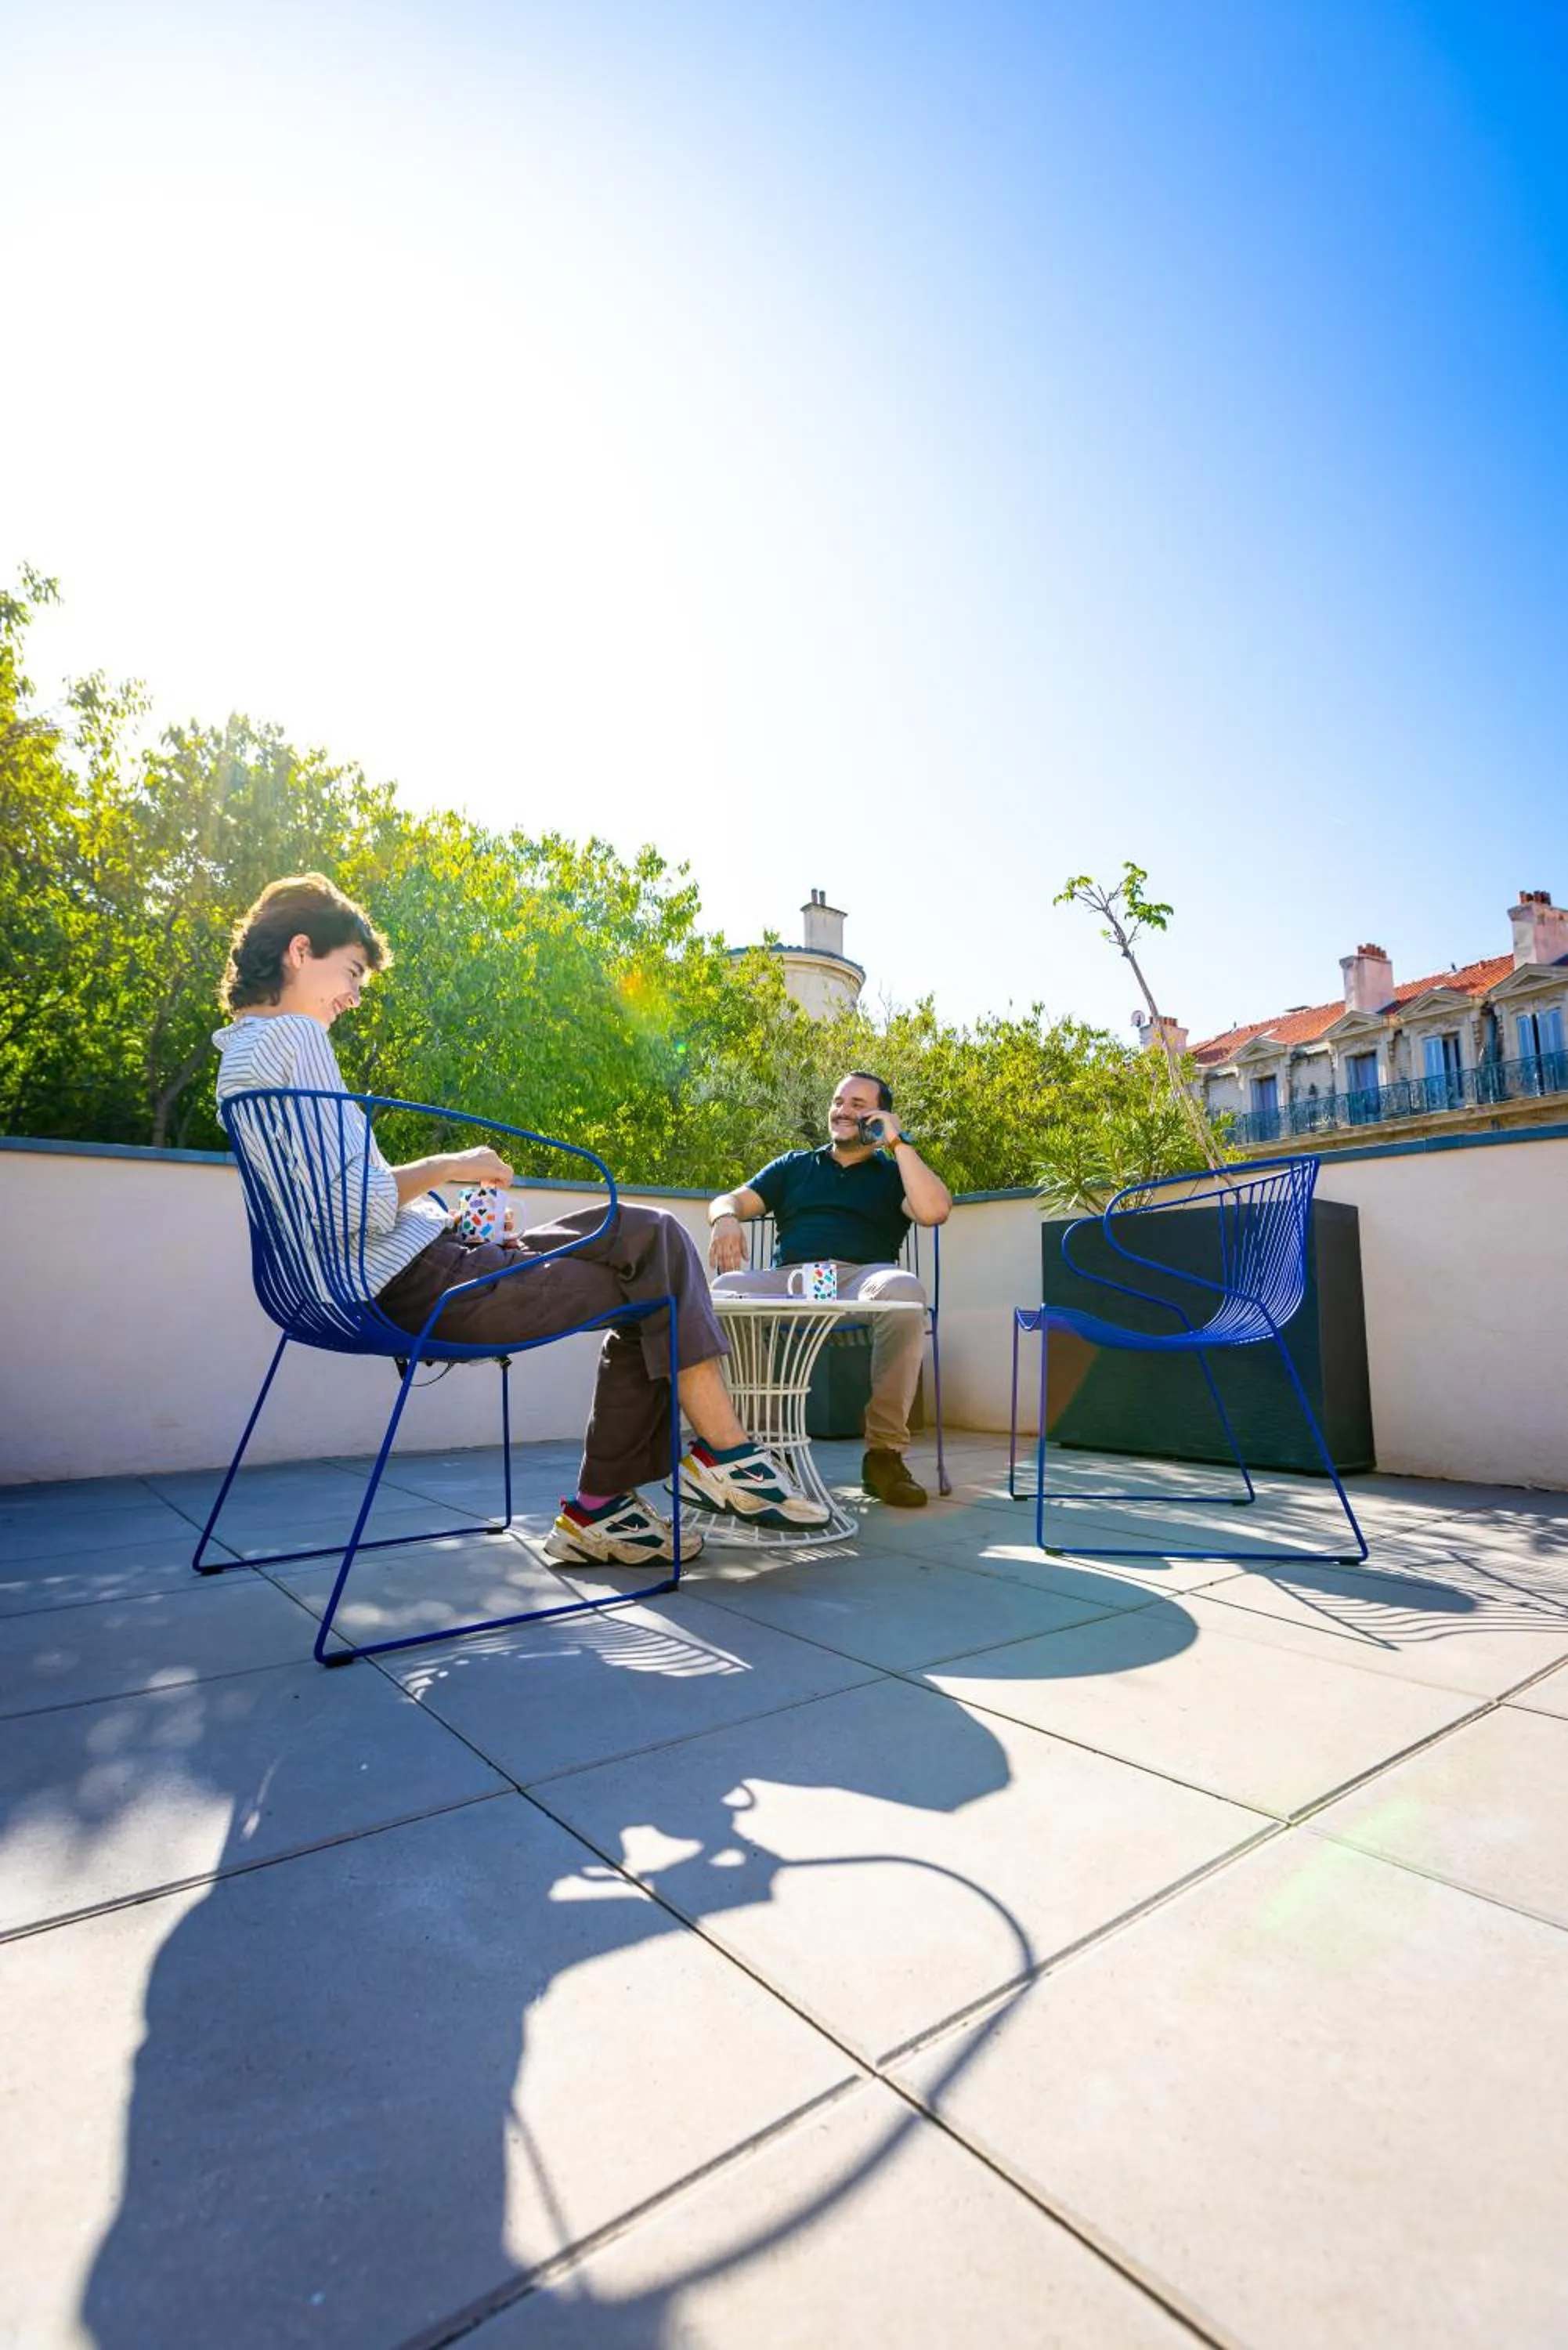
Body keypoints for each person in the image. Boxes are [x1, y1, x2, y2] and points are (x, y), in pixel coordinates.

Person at [212, 873, 829, 1564]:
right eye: (350, 973)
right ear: (300, 951)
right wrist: (452, 1163)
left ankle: (630, 1499)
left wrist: (444, 1214)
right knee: (653, 1270)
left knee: (646, 1239)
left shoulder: (243, 1055)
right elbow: (350, 1205)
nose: (354, 996)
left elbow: (339, 1201)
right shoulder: (292, 1042)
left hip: (415, 1272)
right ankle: (711, 1462)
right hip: (424, 1288)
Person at [706, 1072, 952, 1506]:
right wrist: (725, 1218)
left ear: (879, 1116)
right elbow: (729, 1200)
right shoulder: (794, 1166)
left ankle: (884, 1454)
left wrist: (898, 1143)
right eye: (839, 1101)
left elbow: (934, 1211)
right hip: (792, 1280)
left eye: (858, 1104)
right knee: (725, 1291)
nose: (843, 1110)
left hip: (862, 1280)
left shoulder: (894, 1174)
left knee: (905, 1292)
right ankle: (769, 1447)